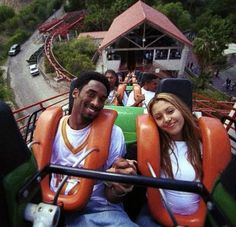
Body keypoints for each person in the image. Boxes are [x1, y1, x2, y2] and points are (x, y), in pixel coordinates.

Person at [50, 71, 138, 226]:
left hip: (99, 209)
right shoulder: (51, 128)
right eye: (91, 94)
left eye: (102, 99)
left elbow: (111, 197)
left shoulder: (113, 133)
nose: (96, 103)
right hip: (52, 205)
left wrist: (119, 187)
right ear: (75, 93)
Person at [136, 92, 202, 226]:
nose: (166, 119)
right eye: (159, 117)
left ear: (181, 109)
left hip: (197, 219)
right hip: (155, 217)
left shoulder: (204, 144)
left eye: (170, 111)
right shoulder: (154, 146)